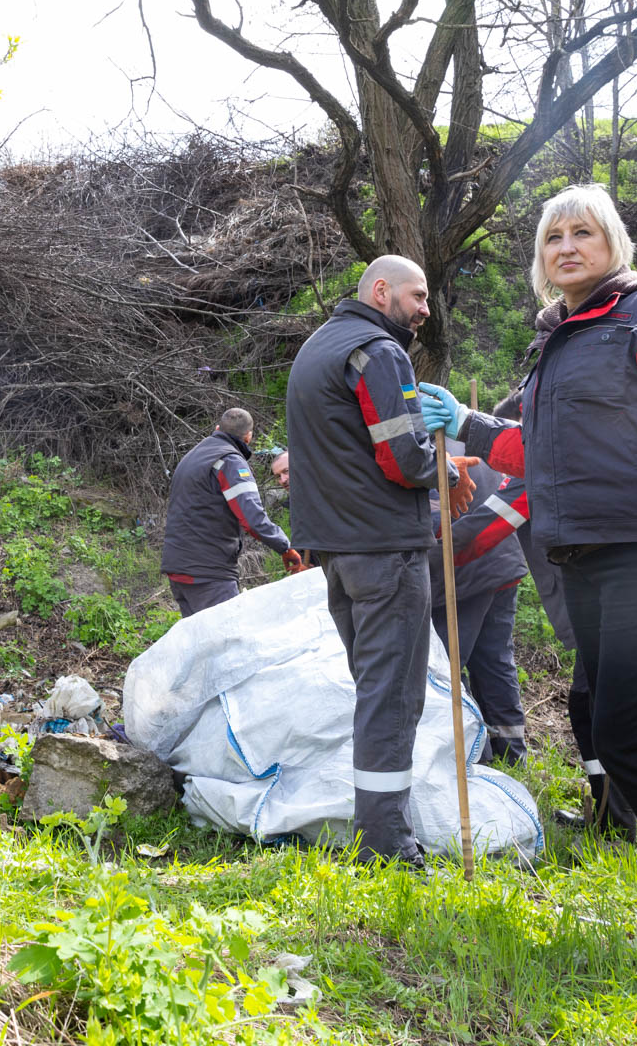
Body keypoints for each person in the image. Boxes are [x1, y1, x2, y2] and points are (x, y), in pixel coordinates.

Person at [420, 185, 637, 1003]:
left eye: (584, 232)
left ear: (614, 243)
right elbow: (535, 451)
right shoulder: (563, 342)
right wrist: (467, 423)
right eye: (553, 237)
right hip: (583, 558)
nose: (567, 246)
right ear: (541, 260)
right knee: (613, 736)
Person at [284, 255, 469, 867]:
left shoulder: (317, 347)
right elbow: (403, 458)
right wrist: (447, 470)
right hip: (385, 549)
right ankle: (387, 845)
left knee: (374, 688)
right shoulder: (379, 352)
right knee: (393, 696)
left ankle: (380, 826)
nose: (424, 310)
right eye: (417, 296)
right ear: (381, 290)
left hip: (337, 551)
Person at [490, 389, 636, 837]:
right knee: (588, 706)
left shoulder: (546, 463)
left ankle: (620, 822)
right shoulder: (556, 452)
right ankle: (611, 813)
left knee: (600, 709)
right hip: (599, 599)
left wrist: (431, 561)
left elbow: (486, 529)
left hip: (616, 597)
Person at [427, 447, 527, 765]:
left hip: (466, 574)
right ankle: (510, 756)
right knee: (495, 660)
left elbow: (431, 528)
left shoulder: (423, 453)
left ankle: (475, 755)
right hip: (500, 563)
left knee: (447, 666)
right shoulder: (464, 441)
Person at [160, 408, 305, 616]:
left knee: (201, 643)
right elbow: (252, 519)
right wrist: (285, 547)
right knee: (228, 640)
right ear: (249, 436)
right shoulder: (230, 461)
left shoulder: (193, 456)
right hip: (208, 573)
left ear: (217, 428)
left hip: (179, 567)